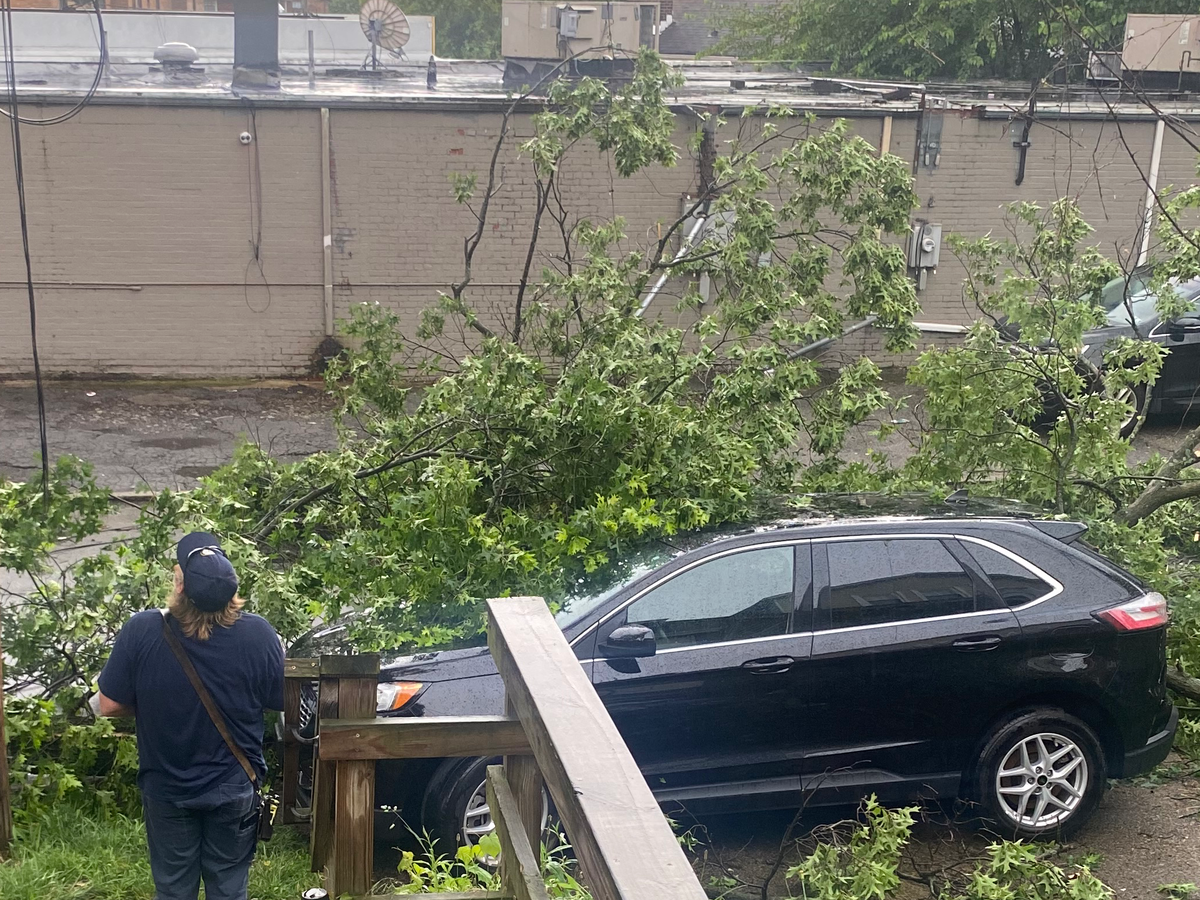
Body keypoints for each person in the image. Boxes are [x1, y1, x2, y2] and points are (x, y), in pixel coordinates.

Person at [98, 531, 284, 900]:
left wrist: (155, 701)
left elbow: (109, 705)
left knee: (173, 890)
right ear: (232, 590)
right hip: (234, 782)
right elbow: (278, 700)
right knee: (229, 889)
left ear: (180, 585)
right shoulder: (259, 635)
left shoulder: (142, 630)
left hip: (167, 786)